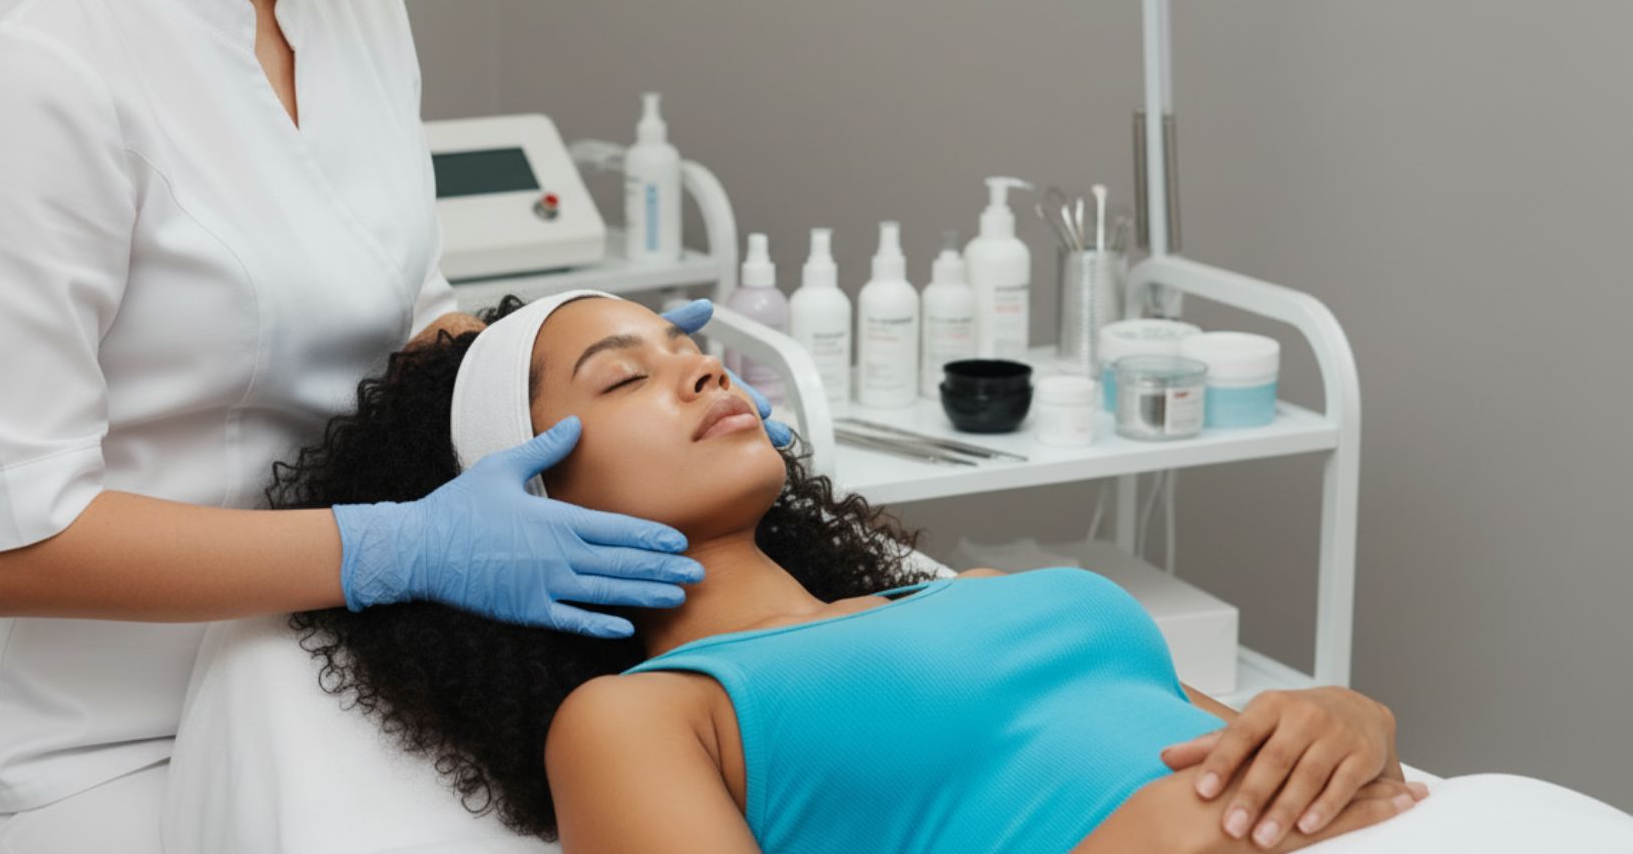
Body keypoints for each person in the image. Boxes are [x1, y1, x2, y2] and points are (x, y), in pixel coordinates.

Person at [0, 0, 791, 850]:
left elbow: (411, 318)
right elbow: (20, 545)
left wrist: (607, 368)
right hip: (94, 751)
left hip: (332, 673)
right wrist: (399, 547)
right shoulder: (32, 67)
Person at [255, 290, 1452, 852]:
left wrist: (1344, 716)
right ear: (522, 497)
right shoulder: (641, 717)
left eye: (693, 351)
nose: (704, 375)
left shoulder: (970, 593)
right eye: (624, 380)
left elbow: (1240, 754)